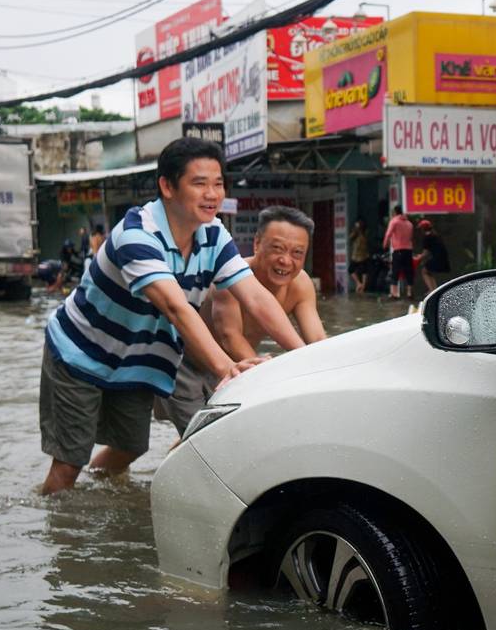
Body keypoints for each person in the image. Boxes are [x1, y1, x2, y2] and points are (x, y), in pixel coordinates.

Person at [38, 136, 305, 495]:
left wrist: (307, 357)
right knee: (69, 462)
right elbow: (176, 308)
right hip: (79, 353)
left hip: (137, 360)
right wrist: (227, 369)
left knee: (129, 447)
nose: (212, 194)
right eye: (199, 183)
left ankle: (96, 496)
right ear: (167, 186)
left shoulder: (213, 234)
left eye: (218, 183)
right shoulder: (136, 234)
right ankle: (54, 513)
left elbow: (256, 297)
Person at [157, 204, 326, 436]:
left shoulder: (301, 284)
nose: (286, 261)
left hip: (235, 367)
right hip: (186, 363)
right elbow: (230, 337)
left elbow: (316, 339)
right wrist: (272, 377)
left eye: (297, 253)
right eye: (277, 248)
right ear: (257, 244)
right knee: (204, 437)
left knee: (220, 436)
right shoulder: (231, 276)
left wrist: (327, 370)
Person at [383, 205, 414, 299]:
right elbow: (411, 237)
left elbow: (388, 234)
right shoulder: (409, 223)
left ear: (395, 212)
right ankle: (409, 293)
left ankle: (394, 293)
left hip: (398, 250)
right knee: (409, 271)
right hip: (408, 250)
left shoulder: (394, 221)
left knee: (395, 271)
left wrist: (385, 244)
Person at [415, 218, 449, 294]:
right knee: (428, 271)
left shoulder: (427, 237)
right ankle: (435, 290)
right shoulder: (435, 235)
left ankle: (431, 290)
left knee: (424, 271)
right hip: (442, 258)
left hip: (438, 258)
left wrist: (419, 257)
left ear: (423, 229)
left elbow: (425, 253)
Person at [349, 218, 370, 294]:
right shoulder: (359, 232)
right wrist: (356, 230)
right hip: (361, 255)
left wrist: (356, 230)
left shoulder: (363, 232)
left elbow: (350, 237)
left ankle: (361, 285)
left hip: (359, 254)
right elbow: (351, 237)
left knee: (360, 270)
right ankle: (360, 284)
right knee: (362, 270)